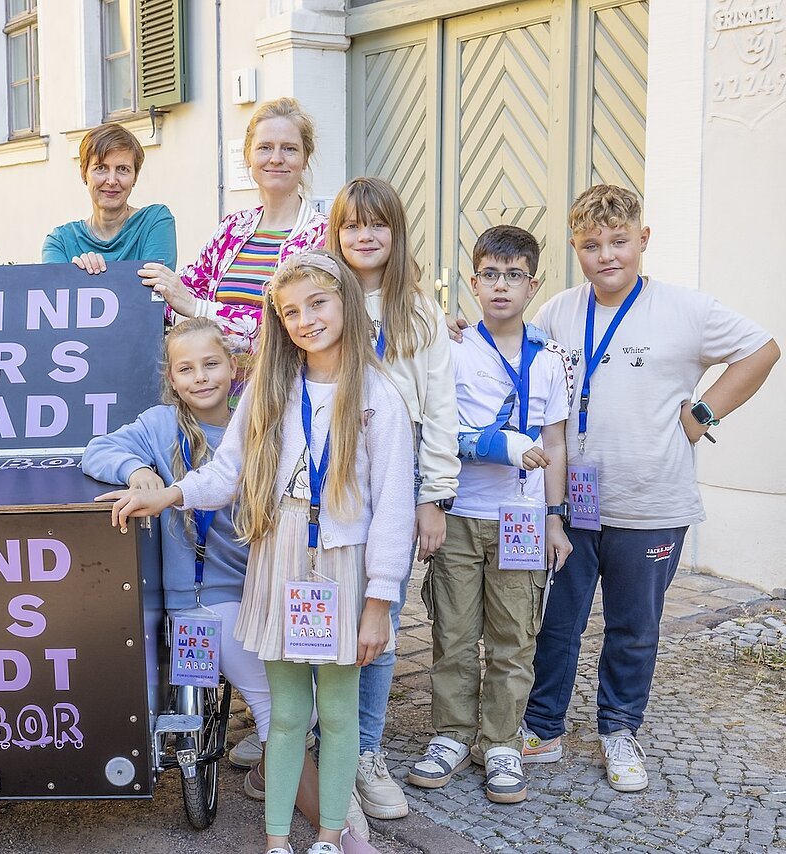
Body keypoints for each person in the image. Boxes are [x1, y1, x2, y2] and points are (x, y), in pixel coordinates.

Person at [101, 251, 415, 854]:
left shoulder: (380, 396)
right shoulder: (272, 389)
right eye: (291, 311)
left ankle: (329, 835)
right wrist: (168, 493)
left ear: (346, 301)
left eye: (317, 304)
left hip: (342, 561)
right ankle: (277, 842)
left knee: (340, 711)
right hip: (279, 559)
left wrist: (380, 601)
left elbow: (394, 509)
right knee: (289, 711)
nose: (305, 320)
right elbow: (226, 473)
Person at [518, 185, 778, 792]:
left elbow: (763, 350)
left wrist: (703, 415)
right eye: (590, 245)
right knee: (557, 620)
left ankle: (618, 730)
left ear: (643, 240)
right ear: (575, 248)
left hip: (652, 501)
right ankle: (541, 726)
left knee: (634, 627)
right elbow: (514, 358)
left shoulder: (686, 310)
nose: (606, 255)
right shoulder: (557, 310)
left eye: (618, 241)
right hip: (567, 504)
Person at [83, 317, 365, 838]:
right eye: (185, 369)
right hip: (201, 596)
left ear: (234, 368)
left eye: (211, 364)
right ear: (171, 378)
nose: (200, 378)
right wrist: (135, 470)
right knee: (279, 709)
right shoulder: (161, 426)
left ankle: (271, 774)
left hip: (264, 586)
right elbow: (95, 450)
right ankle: (341, 834)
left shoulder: (261, 420)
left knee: (304, 706)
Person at [407, 225, 572, 804]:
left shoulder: (551, 361)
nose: (502, 286)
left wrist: (555, 517)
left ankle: (501, 741)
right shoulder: (450, 350)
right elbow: (433, 428)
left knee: (514, 634)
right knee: (453, 633)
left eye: (515, 276)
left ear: (534, 283)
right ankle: (451, 734)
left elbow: (554, 443)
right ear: (473, 282)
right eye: (491, 275)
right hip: (460, 512)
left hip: (522, 521)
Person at [325, 176, 459, 820]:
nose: (365, 236)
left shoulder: (421, 312)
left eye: (378, 224)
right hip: (327, 476)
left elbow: (440, 410)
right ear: (338, 233)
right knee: (320, 607)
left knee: (379, 613)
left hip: (396, 480)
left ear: (396, 232)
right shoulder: (322, 300)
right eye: (353, 226)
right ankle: (317, 742)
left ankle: (367, 751)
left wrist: (434, 496)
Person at [139, 97, 328, 355]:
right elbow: (181, 292)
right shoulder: (234, 228)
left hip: (285, 388)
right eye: (264, 147)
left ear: (305, 158)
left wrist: (198, 310)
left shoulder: (322, 237)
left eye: (289, 149)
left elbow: (291, 328)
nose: (275, 158)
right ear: (248, 156)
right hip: (217, 389)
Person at [42, 122, 177, 273]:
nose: (112, 181)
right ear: (83, 173)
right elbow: (54, 291)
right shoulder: (60, 242)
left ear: (135, 176)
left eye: (123, 169)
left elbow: (152, 293)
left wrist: (83, 278)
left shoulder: (154, 221)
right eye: (101, 168)